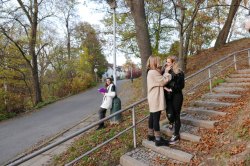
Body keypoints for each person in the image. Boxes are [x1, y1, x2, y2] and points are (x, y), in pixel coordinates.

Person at [146, 55, 172, 146]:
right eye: (158, 61)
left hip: (152, 96)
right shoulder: (153, 72)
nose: (160, 62)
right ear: (154, 62)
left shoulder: (150, 72)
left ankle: (151, 135)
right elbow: (164, 81)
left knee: (152, 116)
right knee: (156, 117)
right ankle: (158, 139)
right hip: (155, 96)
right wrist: (167, 72)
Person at [162, 55, 185, 144]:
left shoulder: (179, 72)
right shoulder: (164, 70)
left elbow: (181, 86)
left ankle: (176, 135)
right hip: (167, 96)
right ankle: (171, 121)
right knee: (170, 114)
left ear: (173, 63)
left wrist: (171, 89)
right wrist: (165, 72)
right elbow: (161, 81)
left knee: (176, 115)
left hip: (176, 95)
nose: (166, 64)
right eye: (166, 62)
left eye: (168, 62)